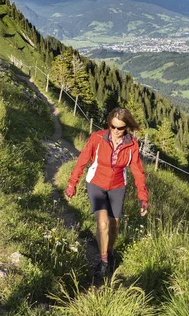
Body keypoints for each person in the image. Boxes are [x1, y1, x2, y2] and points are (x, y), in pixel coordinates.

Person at [65, 107, 148, 277]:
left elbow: (138, 172)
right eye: (113, 126)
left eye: (120, 128)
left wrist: (143, 197)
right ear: (109, 124)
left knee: (114, 225)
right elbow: (82, 160)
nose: (116, 131)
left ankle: (109, 253)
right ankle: (103, 262)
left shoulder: (131, 145)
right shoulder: (97, 138)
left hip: (118, 186)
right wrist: (72, 183)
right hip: (96, 183)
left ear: (127, 127)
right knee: (103, 223)